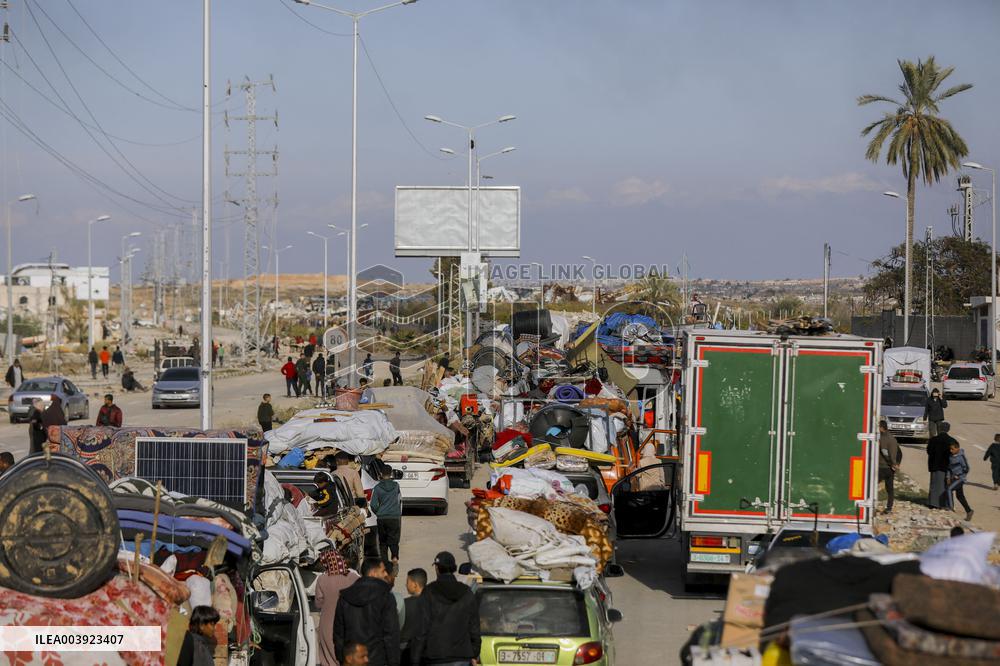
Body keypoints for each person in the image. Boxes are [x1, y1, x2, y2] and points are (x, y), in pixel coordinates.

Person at [409, 551, 480, 666]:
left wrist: (415, 659)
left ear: (437, 568)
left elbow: (421, 629)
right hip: (462, 657)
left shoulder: (429, 592)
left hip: (436, 656)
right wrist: (474, 653)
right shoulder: (467, 592)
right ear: (453, 568)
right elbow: (474, 627)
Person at [334, 558, 400, 666]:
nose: (385, 574)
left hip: (352, 659)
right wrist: (394, 661)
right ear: (373, 573)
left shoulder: (345, 597)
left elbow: (339, 634)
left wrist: (342, 659)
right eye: (383, 571)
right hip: (378, 659)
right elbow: (391, 633)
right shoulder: (385, 596)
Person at [316, 549, 361, 666]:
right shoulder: (354, 577)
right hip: (350, 621)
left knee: (329, 657)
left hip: (328, 623)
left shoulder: (322, 579)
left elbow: (318, 603)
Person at [370, 463, 402, 564]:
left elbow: (373, 505)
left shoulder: (377, 488)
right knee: (394, 541)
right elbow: (398, 499)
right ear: (391, 473)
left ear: (380, 474)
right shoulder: (396, 486)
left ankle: (384, 563)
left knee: (383, 543)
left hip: (382, 518)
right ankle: (395, 558)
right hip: (394, 517)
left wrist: (379, 512)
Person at [926, 421, 955, 509]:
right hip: (946, 467)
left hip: (934, 465)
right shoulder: (952, 441)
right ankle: (943, 503)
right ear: (948, 429)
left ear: (939, 429)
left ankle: (932, 503)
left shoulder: (933, 440)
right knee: (944, 485)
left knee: (934, 484)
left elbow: (928, 451)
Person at [400, 569, 426, 663]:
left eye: (408, 582)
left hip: (405, 648)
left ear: (415, 585)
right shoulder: (432, 602)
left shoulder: (405, 604)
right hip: (426, 648)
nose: (406, 585)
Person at [877, 420, 900, 513]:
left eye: (878, 427)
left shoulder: (887, 439)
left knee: (875, 486)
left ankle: (888, 507)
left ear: (882, 428)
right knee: (889, 488)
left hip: (885, 467)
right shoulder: (888, 438)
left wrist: (894, 464)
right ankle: (889, 507)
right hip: (887, 467)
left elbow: (892, 454)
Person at [947, 440, 973, 521]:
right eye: (950, 449)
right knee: (960, 496)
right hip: (953, 478)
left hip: (961, 479)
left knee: (949, 489)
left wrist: (958, 475)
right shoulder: (950, 457)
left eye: (953, 449)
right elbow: (949, 468)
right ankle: (969, 511)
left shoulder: (961, 457)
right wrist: (948, 477)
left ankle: (951, 509)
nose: (951, 451)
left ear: (958, 449)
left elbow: (967, 469)